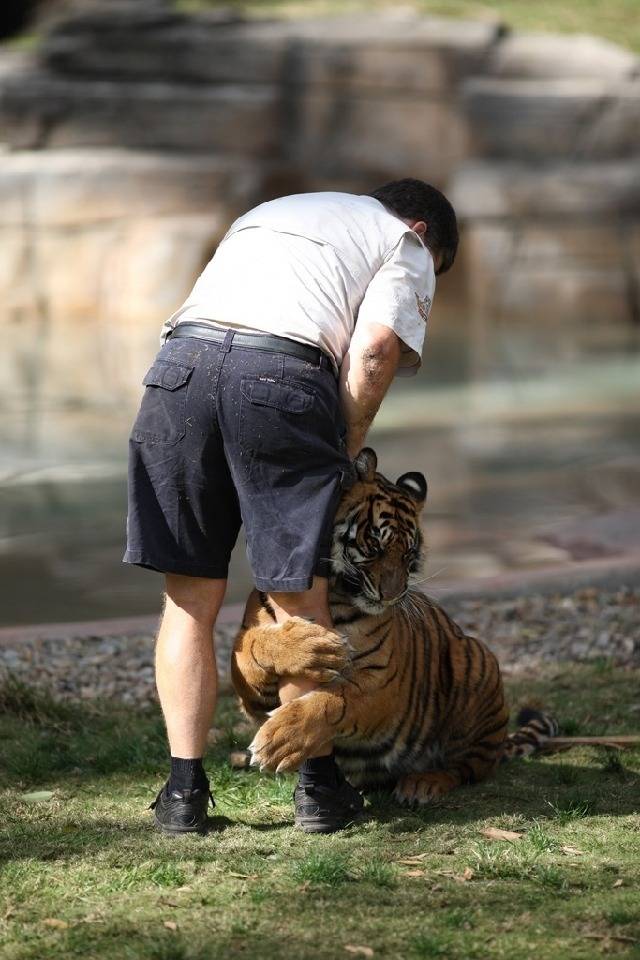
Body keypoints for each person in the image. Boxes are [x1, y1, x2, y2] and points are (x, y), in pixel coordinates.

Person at [124, 178, 458, 834]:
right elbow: (375, 348)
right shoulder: (405, 241)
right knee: (301, 600)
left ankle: (183, 794)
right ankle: (318, 791)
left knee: (188, 601)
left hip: (176, 373)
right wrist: (346, 451)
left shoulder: (273, 212)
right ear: (423, 232)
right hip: (277, 378)